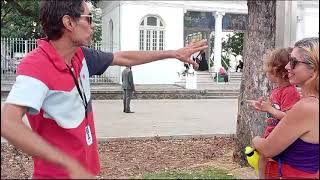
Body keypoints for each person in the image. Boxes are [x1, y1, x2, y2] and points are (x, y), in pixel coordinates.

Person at [0, 0, 207, 179]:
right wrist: (65, 162)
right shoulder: (36, 65)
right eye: (88, 19)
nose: (93, 26)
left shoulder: (81, 57)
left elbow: (123, 57)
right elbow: (8, 124)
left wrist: (173, 53)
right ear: (68, 22)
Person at [252, 37, 319, 179]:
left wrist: (255, 140)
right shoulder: (310, 103)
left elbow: (268, 149)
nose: (287, 66)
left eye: (294, 62)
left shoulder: (307, 107)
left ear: (313, 69)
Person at [248, 48, 301, 178]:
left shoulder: (290, 92)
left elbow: (290, 117)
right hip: (271, 132)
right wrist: (263, 107)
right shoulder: (277, 90)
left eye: (269, 71)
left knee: (267, 157)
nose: (266, 73)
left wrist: (270, 109)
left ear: (279, 72)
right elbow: (275, 109)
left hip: (280, 135)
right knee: (263, 158)